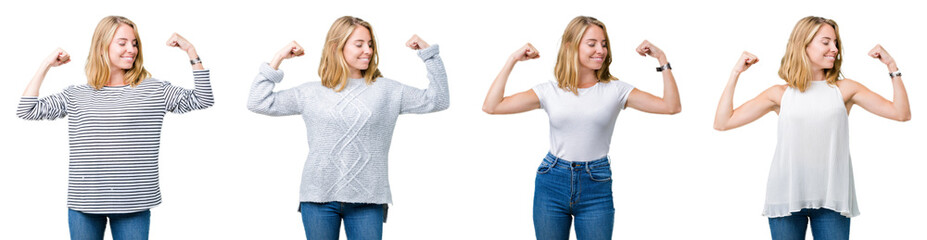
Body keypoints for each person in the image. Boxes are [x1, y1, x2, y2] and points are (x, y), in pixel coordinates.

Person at [247, 16, 449, 240]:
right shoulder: (310, 92)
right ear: (337, 46)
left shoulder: (388, 91)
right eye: (359, 44)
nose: (368, 51)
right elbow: (258, 102)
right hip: (317, 198)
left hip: (368, 199)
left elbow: (438, 100)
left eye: (370, 44)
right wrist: (278, 58)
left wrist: (429, 54)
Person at [481, 16, 681, 240]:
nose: (601, 50)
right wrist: (512, 60)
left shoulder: (616, 90)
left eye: (604, 44)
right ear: (571, 45)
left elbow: (671, 106)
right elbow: (492, 106)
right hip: (551, 181)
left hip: (595, 184)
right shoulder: (550, 91)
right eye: (592, 43)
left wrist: (662, 59)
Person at [712, 16, 911, 240]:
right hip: (786, 198)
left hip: (832, 201)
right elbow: (723, 122)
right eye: (825, 42)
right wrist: (735, 73)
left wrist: (892, 67)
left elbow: (901, 113)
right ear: (803, 45)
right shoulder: (780, 94)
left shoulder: (845, 90)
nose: (834, 49)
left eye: (835, 43)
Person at [16, 15, 213, 240]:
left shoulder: (154, 90)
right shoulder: (77, 95)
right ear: (102, 47)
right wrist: (46, 65)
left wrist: (191, 51)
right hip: (84, 204)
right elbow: (27, 109)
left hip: (133, 203)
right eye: (123, 43)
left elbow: (203, 98)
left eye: (135, 43)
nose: (131, 49)